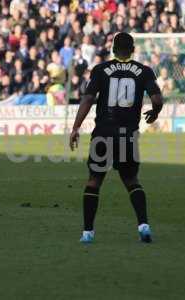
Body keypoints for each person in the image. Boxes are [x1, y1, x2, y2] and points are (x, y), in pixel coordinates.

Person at [69, 32, 163, 244]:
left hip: (103, 133)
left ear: (113, 49)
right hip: (127, 135)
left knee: (94, 181)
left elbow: (88, 99)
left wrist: (75, 127)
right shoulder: (144, 71)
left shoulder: (101, 70)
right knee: (131, 181)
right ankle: (143, 226)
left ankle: (87, 233)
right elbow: (157, 98)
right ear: (133, 50)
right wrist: (155, 112)